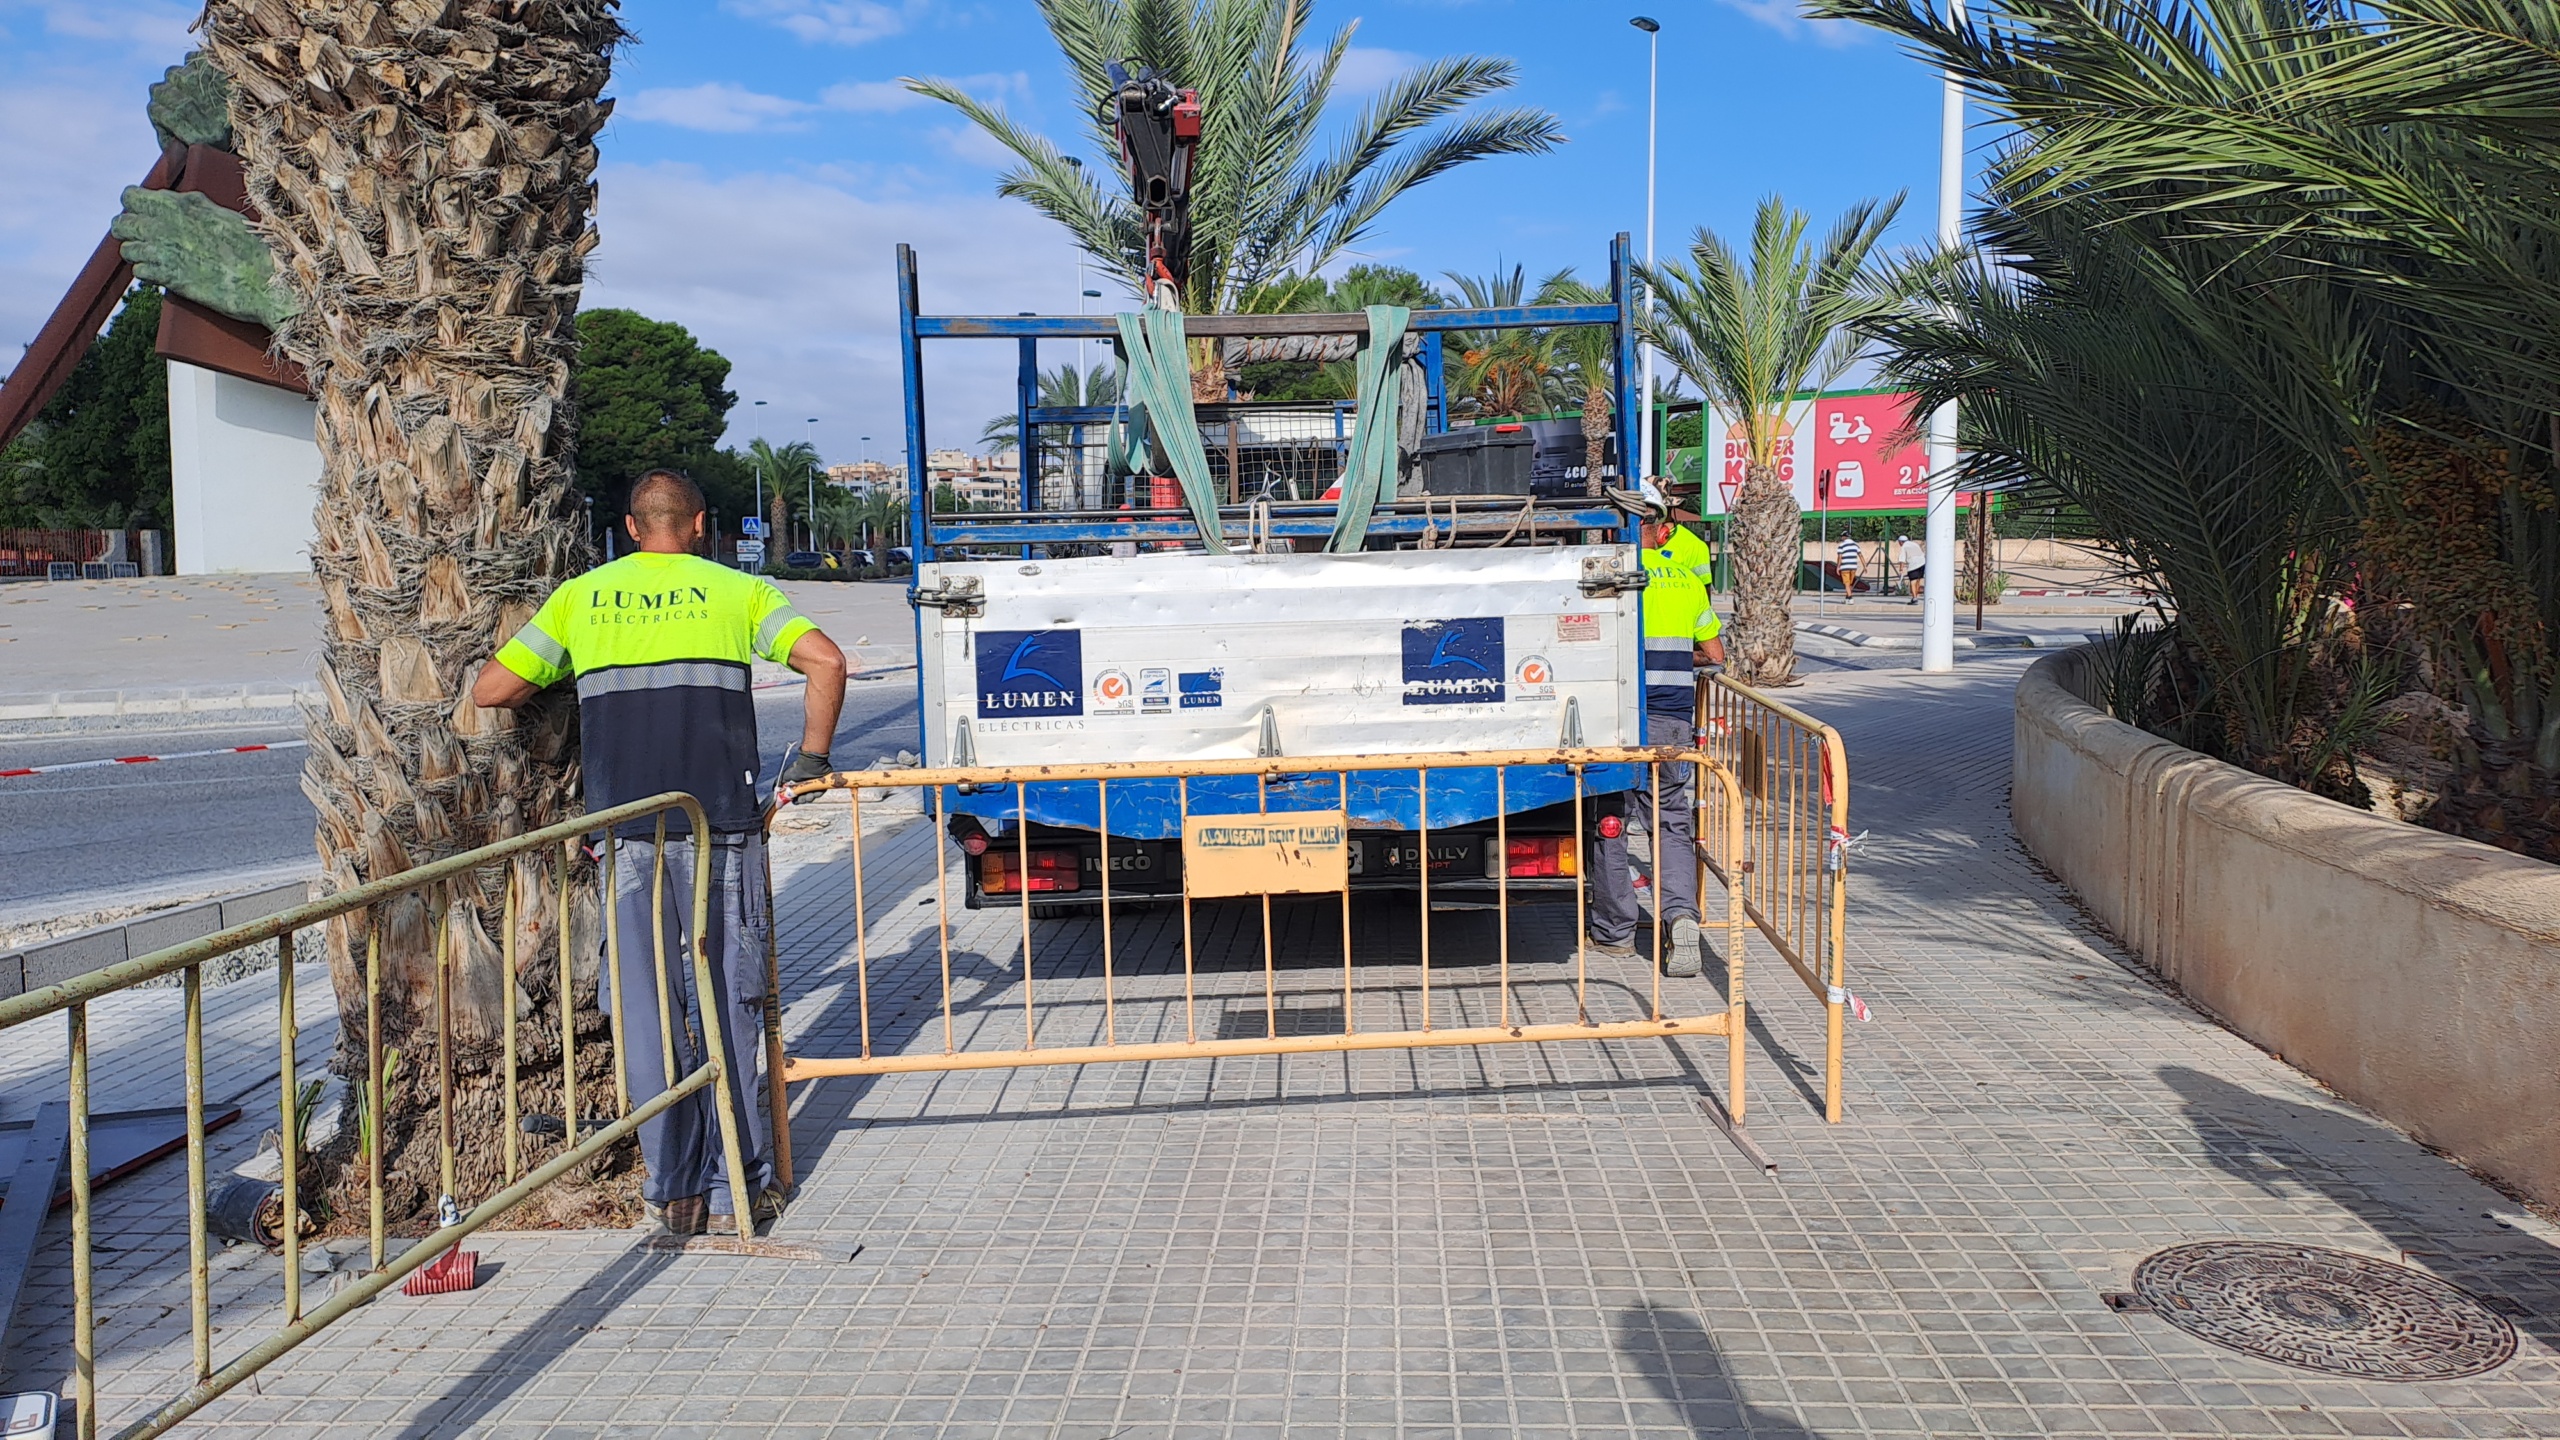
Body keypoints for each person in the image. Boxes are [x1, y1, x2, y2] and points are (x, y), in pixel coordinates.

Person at [471, 469, 849, 1239]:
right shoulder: (733, 592)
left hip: (627, 834)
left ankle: (669, 1191)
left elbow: (491, 690)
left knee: (646, 1016)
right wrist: (810, 761)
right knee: (730, 1007)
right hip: (722, 835)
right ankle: (735, 1189)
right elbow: (827, 662)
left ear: (634, 528)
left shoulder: (584, 597)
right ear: (701, 524)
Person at [1590, 481, 1726, 976]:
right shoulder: (1688, 581)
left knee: (1611, 823)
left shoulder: (1605, 575)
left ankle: (1616, 932)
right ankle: (1681, 919)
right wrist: (1674, 658)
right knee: (1671, 823)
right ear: (1661, 528)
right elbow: (1715, 656)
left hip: (1618, 722)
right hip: (1671, 721)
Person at [1900, 533, 1925, 604]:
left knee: (1913, 582)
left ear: (1901, 542)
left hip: (1913, 565)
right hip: (1922, 563)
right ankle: (1915, 596)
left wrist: (1901, 569)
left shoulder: (1904, 546)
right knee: (1918, 581)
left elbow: (1902, 559)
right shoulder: (1914, 544)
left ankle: (1914, 598)